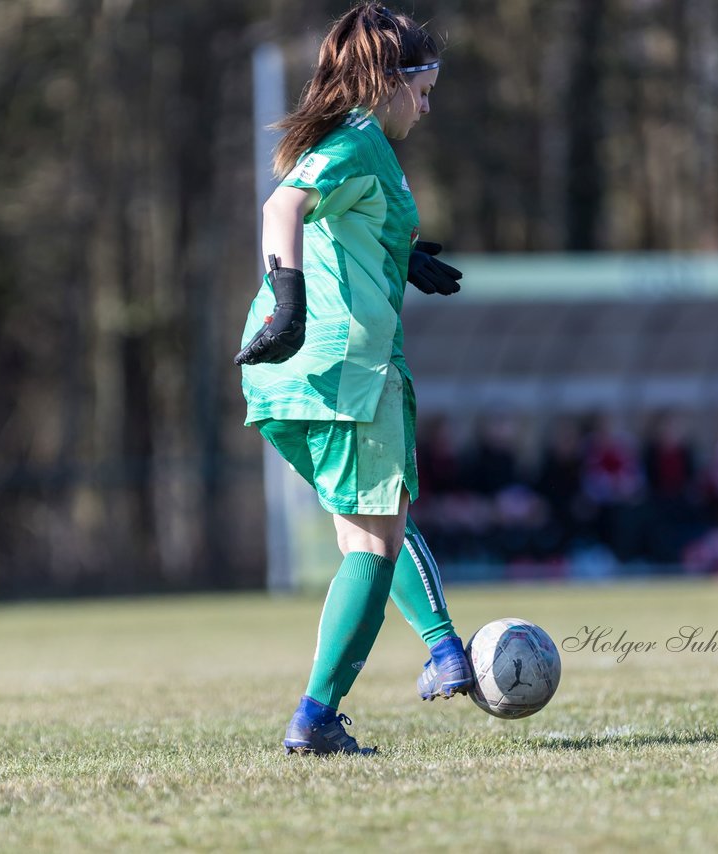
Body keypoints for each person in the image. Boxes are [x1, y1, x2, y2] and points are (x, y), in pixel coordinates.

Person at [234, 3, 468, 756]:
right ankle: (317, 716)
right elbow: (283, 209)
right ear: (387, 83)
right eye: (423, 91)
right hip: (347, 371)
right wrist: (291, 302)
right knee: (375, 542)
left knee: (363, 531)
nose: (427, 108)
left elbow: (333, 222)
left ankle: (442, 651)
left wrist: (401, 253)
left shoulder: (354, 143)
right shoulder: (362, 139)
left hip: (286, 381)